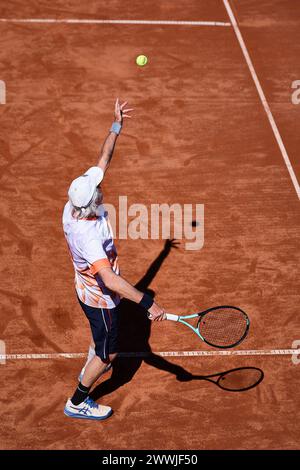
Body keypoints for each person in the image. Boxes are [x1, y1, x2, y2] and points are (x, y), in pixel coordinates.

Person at [62, 99, 166, 421]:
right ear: (92, 203)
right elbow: (109, 280)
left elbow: (103, 159)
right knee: (109, 354)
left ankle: (95, 350)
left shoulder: (75, 205)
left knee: (101, 341)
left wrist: (116, 126)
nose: (101, 185)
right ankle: (78, 401)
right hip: (100, 299)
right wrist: (147, 302)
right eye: (99, 189)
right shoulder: (88, 237)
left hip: (85, 287)